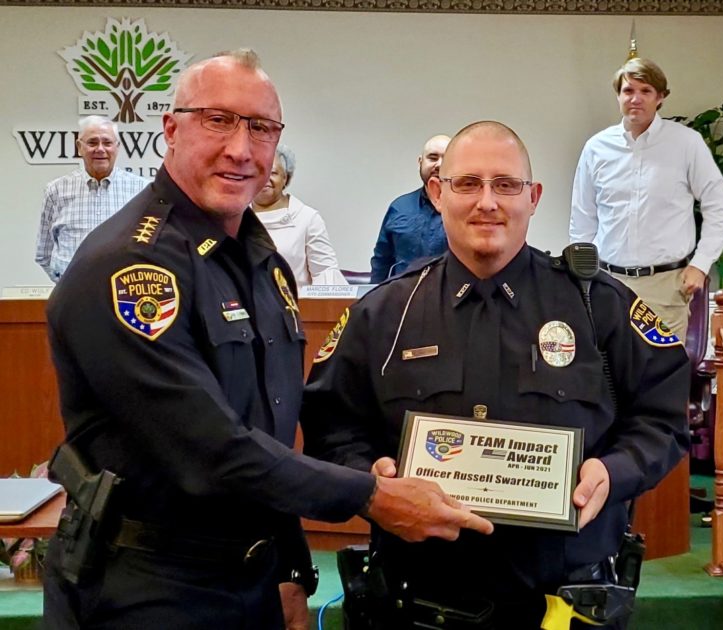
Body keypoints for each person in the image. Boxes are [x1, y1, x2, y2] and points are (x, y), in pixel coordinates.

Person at [43, 50, 492, 630]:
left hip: (247, 580)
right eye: (218, 120)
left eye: (261, 128)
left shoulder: (261, 263)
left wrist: (290, 572)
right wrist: (370, 496)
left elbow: (269, 434)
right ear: (171, 131)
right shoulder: (130, 267)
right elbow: (214, 450)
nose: (241, 148)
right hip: (145, 586)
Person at [302, 121, 690, 629]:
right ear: (438, 193)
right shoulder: (385, 313)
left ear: (533, 197)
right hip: (416, 602)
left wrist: (614, 471)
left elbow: (662, 417)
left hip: (566, 606)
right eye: (468, 184)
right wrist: (371, 481)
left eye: (506, 185)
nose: (488, 201)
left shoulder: (599, 305)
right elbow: (331, 424)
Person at [570, 57, 723, 340]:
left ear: (660, 98)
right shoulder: (596, 148)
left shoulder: (685, 143)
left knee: (663, 377)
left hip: (665, 286)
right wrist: (584, 277)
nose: (636, 99)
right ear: (618, 96)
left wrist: (700, 263)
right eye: (628, 90)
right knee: (608, 376)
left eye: (645, 91)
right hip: (609, 283)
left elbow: (718, 205)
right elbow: (583, 218)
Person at [34, 115, 149, 282]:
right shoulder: (56, 191)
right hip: (73, 295)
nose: (100, 149)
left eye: (107, 143)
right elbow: (43, 254)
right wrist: (66, 283)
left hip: (123, 296)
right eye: (92, 143)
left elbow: (149, 248)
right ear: (80, 147)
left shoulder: (142, 190)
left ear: (117, 147)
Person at [253, 144, 347, 288]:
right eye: (258, 172)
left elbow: (325, 272)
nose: (265, 178)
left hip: (296, 307)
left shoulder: (307, 218)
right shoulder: (233, 216)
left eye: (272, 173)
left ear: (285, 177)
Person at [370, 134, 451, 282]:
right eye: (433, 158)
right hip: (403, 300)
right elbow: (382, 261)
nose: (439, 164)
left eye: (446, 159)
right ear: (420, 162)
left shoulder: (467, 209)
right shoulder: (399, 207)